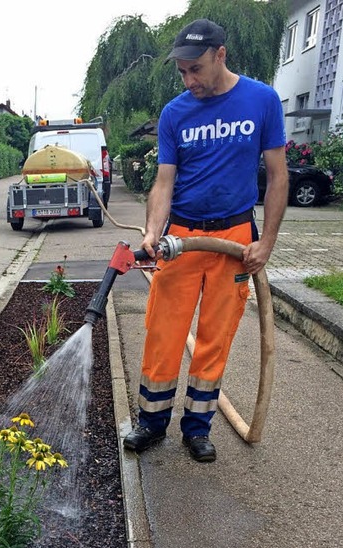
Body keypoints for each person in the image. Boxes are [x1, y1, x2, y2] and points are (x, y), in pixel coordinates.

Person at [123, 18, 288, 462]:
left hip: (234, 241)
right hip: (182, 238)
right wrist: (154, 230)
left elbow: (277, 176)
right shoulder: (176, 113)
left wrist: (265, 243)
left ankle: (197, 428)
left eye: (195, 69)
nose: (188, 80)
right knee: (163, 333)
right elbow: (163, 182)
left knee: (215, 337)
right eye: (181, 72)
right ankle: (151, 423)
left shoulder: (262, 100)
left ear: (220, 55)